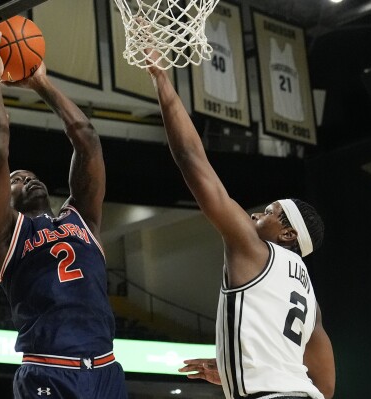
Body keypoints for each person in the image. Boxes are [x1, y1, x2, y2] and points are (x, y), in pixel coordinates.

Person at [146, 58, 335, 398]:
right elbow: (325, 387)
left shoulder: (253, 248)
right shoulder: (310, 298)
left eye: (267, 213)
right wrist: (245, 371)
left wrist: (162, 79)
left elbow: (191, 156)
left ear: (288, 234)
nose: (252, 217)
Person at [0, 31, 127, 399]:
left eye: (32, 176)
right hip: (49, 368)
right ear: (3, 197)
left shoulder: (82, 220)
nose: (28, 179)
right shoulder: (3, 232)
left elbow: (87, 139)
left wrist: (42, 83)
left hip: (106, 368)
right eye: (17, 180)